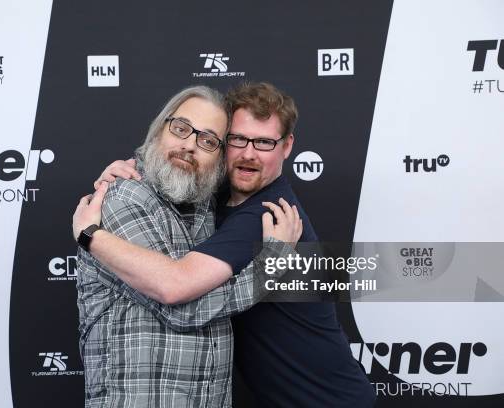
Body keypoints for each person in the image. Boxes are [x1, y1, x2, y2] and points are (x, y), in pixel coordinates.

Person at [75, 82, 376, 407]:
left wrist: (88, 233)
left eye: (263, 142)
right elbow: (173, 175)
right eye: (238, 140)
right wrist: (126, 171)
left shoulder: (266, 216)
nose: (249, 153)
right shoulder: (206, 197)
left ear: (287, 147)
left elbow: (176, 288)